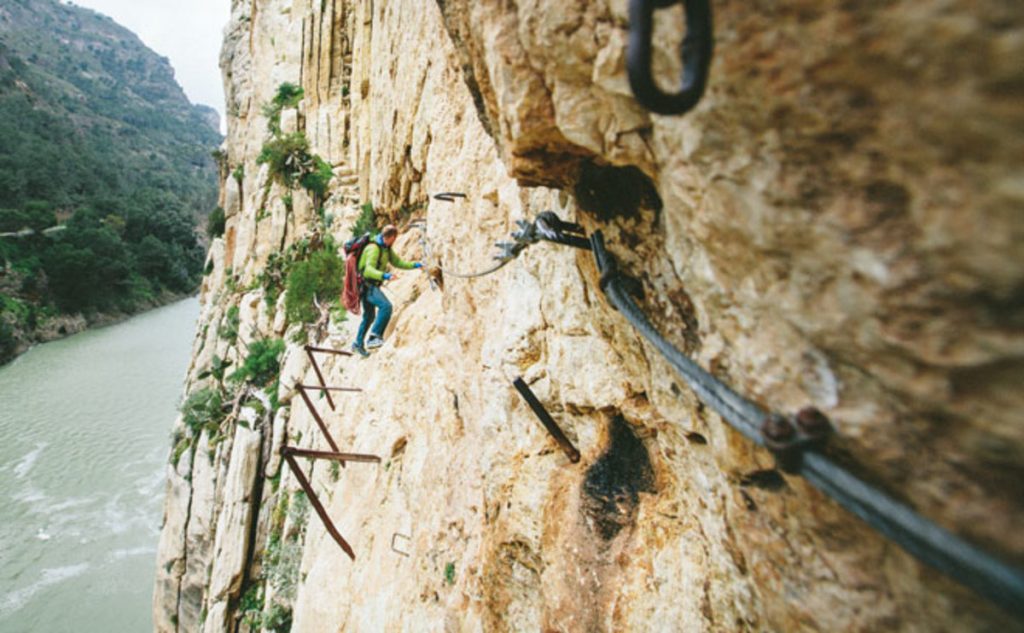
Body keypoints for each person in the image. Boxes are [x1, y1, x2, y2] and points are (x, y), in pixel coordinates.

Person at [351, 224, 423, 357]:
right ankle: (374, 337)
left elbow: (398, 263)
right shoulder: (373, 248)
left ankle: (357, 343)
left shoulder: (386, 248)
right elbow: (368, 270)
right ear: (388, 237)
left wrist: (416, 265)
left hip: (370, 286)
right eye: (394, 239)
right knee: (386, 307)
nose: (394, 242)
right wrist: (385, 275)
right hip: (367, 286)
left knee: (369, 316)